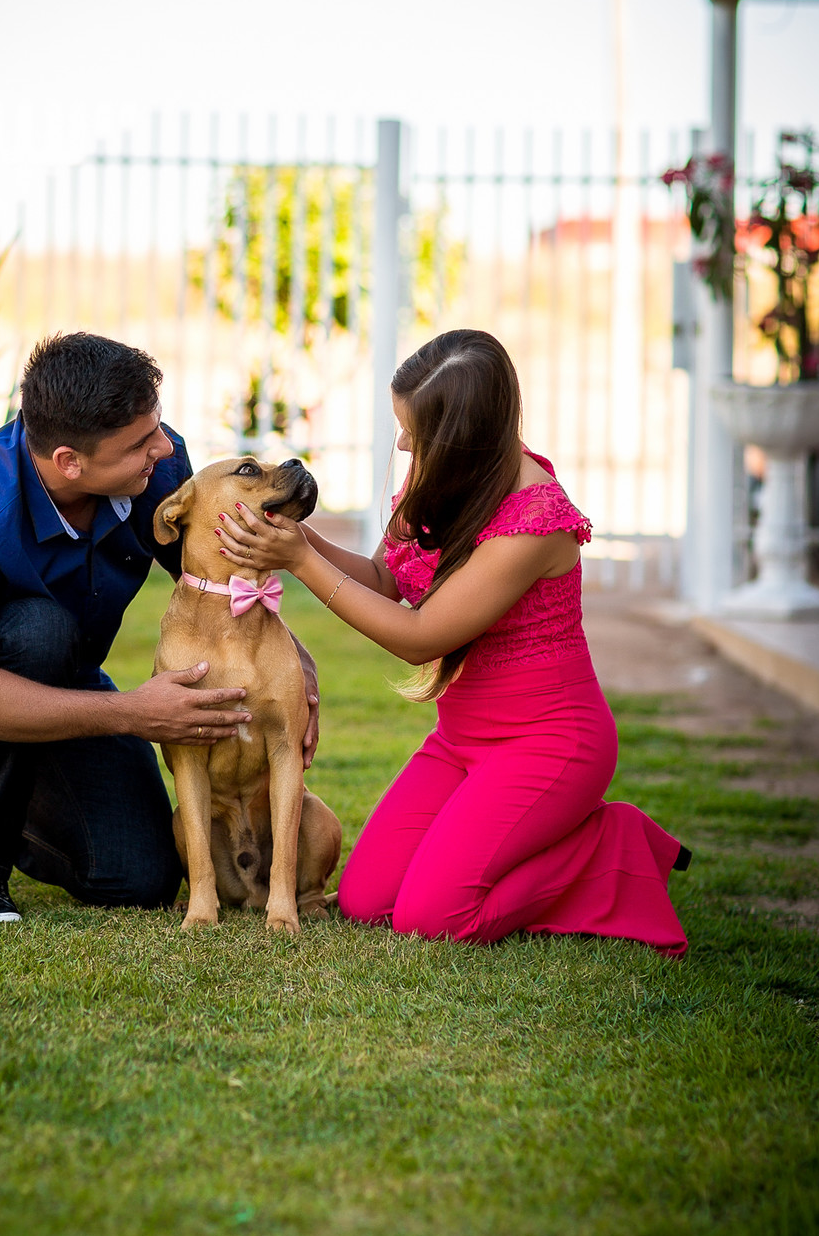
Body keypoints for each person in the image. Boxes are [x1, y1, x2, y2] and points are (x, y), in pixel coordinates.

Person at [216, 328, 689, 958]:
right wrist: (298, 538)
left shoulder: (534, 520)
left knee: (433, 917)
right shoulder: (445, 473)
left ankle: (608, 845)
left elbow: (421, 637)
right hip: (462, 740)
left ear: (462, 435)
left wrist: (299, 562)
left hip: (550, 743)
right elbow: (384, 578)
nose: (402, 443)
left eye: (413, 432)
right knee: (365, 902)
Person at [0, 331, 318, 925]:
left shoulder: (154, 465)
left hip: (58, 672)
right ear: (70, 461)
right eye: (141, 443)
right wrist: (130, 713)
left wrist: (292, 664)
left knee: (140, 876)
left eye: (157, 428)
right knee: (39, 630)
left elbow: (215, 582)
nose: (163, 448)